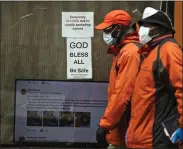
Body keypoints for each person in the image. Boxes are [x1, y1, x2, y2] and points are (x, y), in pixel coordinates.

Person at [126, 7, 183, 149]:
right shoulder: (152, 51)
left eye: (145, 25)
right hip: (144, 138)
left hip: (155, 140)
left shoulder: (168, 50)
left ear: (158, 28)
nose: (140, 30)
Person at [95, 10, 142, 149]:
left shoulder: (130, 53)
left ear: (119, 28)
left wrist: (105, 125)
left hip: (127, 129)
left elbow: (122, 94)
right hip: (124, 127)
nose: (105, 34)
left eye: (107, 29)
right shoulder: (123, 50)